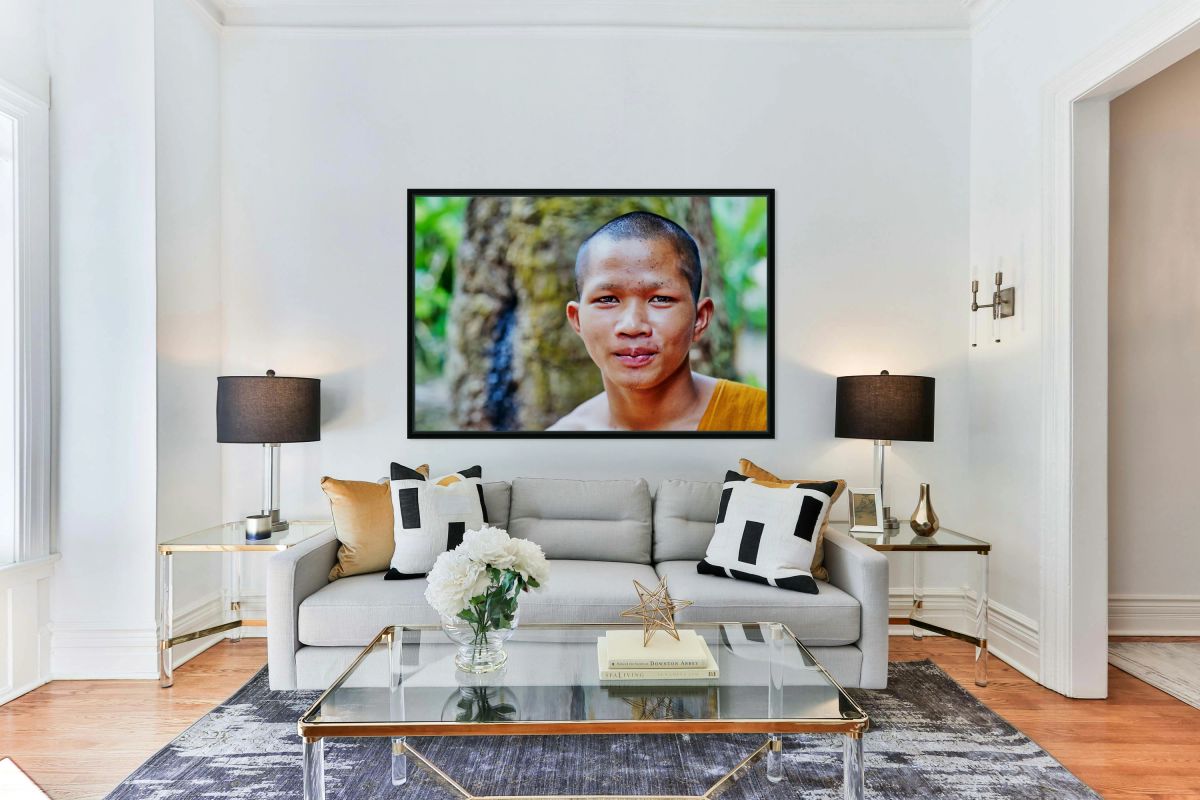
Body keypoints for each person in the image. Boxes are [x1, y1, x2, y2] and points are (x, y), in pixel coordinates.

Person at [547, 211, 767, 432]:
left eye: (661, 299)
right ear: (577, 320)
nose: (632, 326)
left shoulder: (762, 419)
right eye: (607, 299)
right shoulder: (560, 447)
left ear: (700, 319)